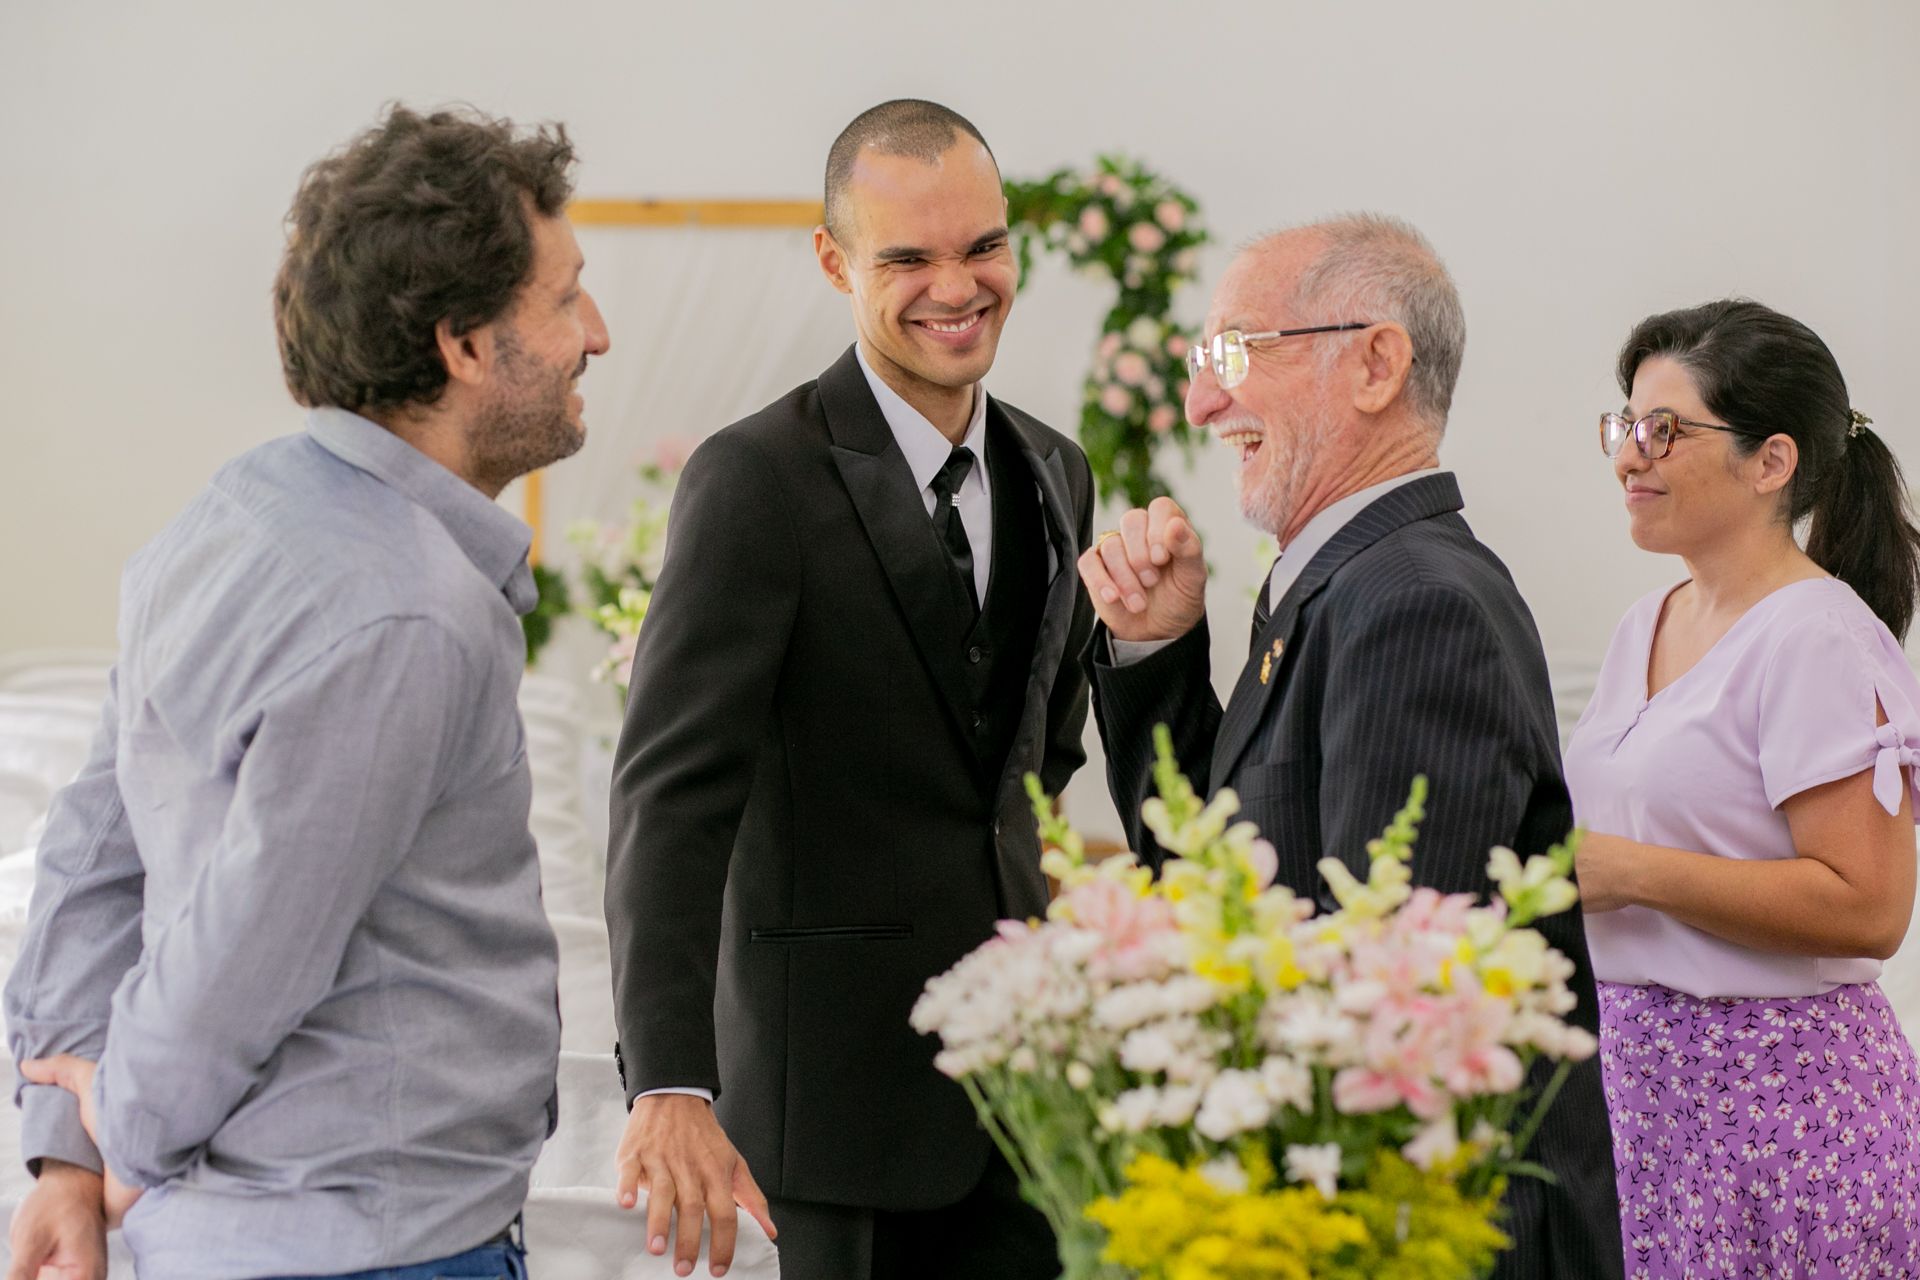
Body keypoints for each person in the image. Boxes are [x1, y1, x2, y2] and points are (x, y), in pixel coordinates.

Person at [4, 104, 610, 1280]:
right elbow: (238, 960)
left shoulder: (230, 515)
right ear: (465, 345)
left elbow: (93, 842)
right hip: (372, 1251)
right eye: (565, 297)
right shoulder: (407, 620)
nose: (597, 332)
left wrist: (64, 1154)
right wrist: (119, 1119)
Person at [602, 99, 1094, 1280]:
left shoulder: (1055, 469)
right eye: (908, 258)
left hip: (1025, 1110)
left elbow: (1038, 760)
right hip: (825, 1114)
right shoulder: (754, 477)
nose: (957, 286)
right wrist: (670, 1075)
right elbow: (670, 796)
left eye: (982, 246)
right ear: (835, 261)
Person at [1079, 213, 1623, 1278]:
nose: (1200, 401)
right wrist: (1156, 654)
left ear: (1376, 362)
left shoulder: (1416, 602)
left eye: (1235, 352)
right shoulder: (1336, 591)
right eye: (1202, 360)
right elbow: (1215, 880)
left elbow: (1383, 1014)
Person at [1565, 299, 1920, 1275]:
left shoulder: (1819, 635)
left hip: (1776, 1113)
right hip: (1646, 1102)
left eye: (1665, 431)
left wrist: (1631, 871)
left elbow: (1868, 905)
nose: (1631, 455)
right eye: (1626, 425)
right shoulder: (1652, 617)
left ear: (1774, 461)